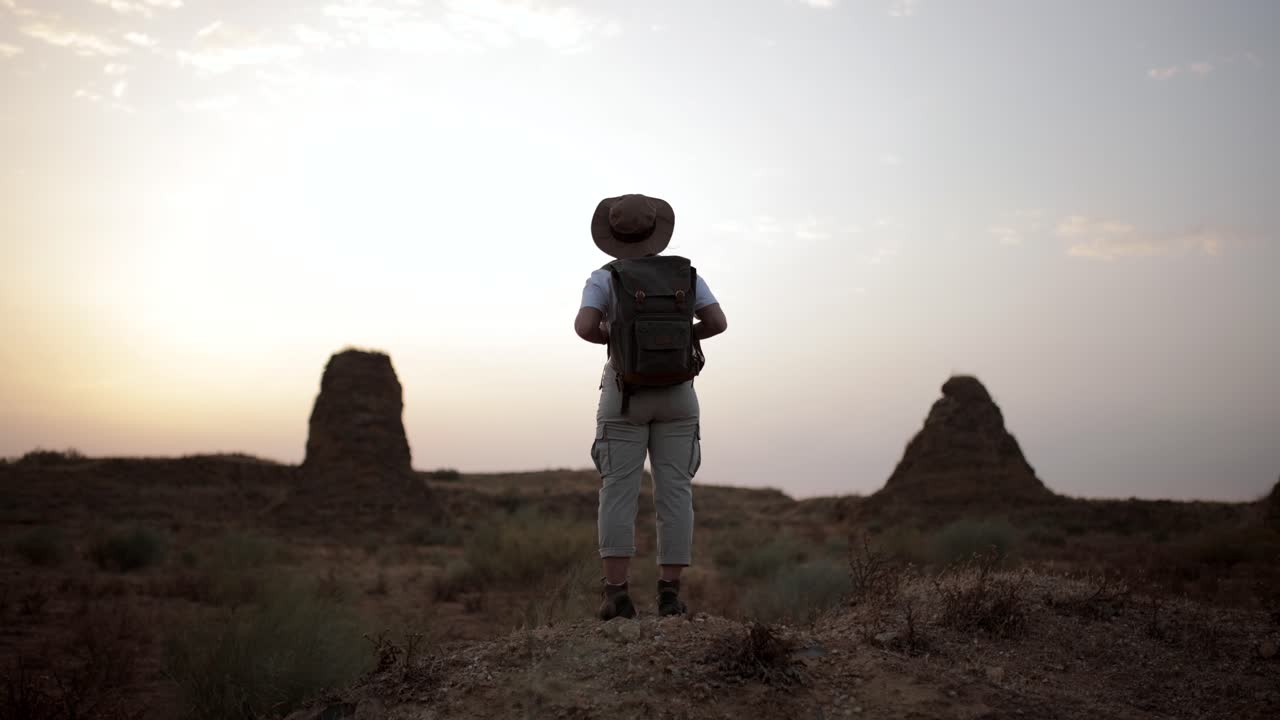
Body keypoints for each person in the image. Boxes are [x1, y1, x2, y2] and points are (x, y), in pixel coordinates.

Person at [574, 193, 728, 620]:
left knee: (618, 492)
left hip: (625, 392)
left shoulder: (605, 277)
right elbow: (717, 322)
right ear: (658, 233)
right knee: (676, 493)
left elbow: (585, 326)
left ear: (612, 236)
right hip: (679, 393)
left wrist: (623, 337)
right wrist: (678, 338)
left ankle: (617, 595)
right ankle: (669, 595)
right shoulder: (686, 275)